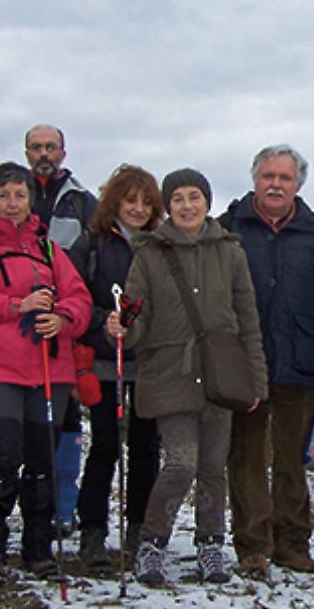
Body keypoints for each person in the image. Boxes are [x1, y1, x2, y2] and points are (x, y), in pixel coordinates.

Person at [109, 168, 268, 587]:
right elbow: (136, 320)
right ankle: (152, 542)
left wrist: (257, 380)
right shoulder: (149, 254)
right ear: (168, 206)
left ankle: (210, 542)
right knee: (181, 462)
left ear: (207, 202)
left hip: (222, 374)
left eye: (193, 196)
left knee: (214, 466)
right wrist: (122, 327)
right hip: (169, 374)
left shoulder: (231, 253)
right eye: (177, 198)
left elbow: (248, 320)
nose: (185, 205)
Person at [0, 162, 91, 583]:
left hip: (49, 369)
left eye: (20, 195)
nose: (13, 204)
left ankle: (38, 549)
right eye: (4, 195)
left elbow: (79, 298)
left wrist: (62, 318)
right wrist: (14, 307)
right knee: (3, 457)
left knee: (43, 463)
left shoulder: (49, 250)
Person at [218, 144, 314, 577]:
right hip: (244, 364)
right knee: (247, 457)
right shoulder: (227, 228)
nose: (276, 184)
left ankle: (293, 545)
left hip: (302, 360)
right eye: (268, 176)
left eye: (285, 178)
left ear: (298, 185)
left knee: (293, 459)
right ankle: (252, 546)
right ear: (255, 179)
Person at [66, 164, 162, 567]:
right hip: (103, 359)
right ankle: (92, 531)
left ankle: (140, 528)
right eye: (130, 200)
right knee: (104, 446)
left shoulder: (159, 245)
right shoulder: (91, 244)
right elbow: (71, 296)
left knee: (144, 448)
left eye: (145, 202)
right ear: (114, 201)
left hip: (150, 360)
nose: (137, 209)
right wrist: (102, 320)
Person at [23, 124, 100, 535]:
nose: (43, 154)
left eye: (50, 147)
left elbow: (92, 265)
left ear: (64, 152)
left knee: (66, 416)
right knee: (16, 417)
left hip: (68, 323)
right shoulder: (10, 194)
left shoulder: (83, 203)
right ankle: (24, 504)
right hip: (18, 323)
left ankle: (63, 508)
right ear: (26, 152)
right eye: (36, 147)